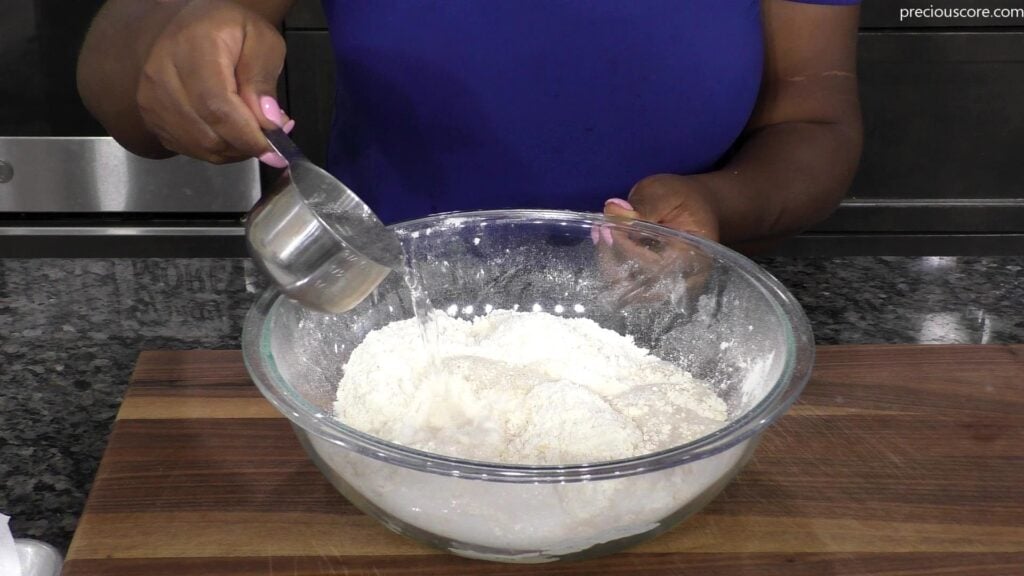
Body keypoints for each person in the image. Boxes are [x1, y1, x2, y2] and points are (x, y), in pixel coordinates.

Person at [78, 0, 862, 252]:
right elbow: (115, 66)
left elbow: (813, 117)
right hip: (383, 324)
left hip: (678, 330)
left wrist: (719, 205)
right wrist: (176, 43)